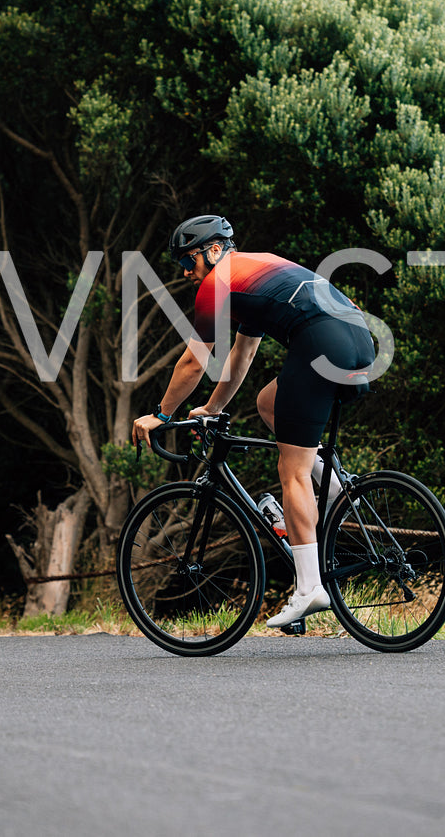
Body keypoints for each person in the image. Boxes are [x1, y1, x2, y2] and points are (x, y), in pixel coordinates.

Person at [130, 214, 375, 628]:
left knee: (291, 473)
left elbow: (194, 361)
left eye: (189, 261)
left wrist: (161, 415)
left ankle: (309, 589)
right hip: (360, 339)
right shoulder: (252, 272)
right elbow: (241, 357)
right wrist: (211, 407)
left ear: (213, 251)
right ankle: (333, 488)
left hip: (322, 342)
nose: (187, 272)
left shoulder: (216, 284)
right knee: (268, 403)